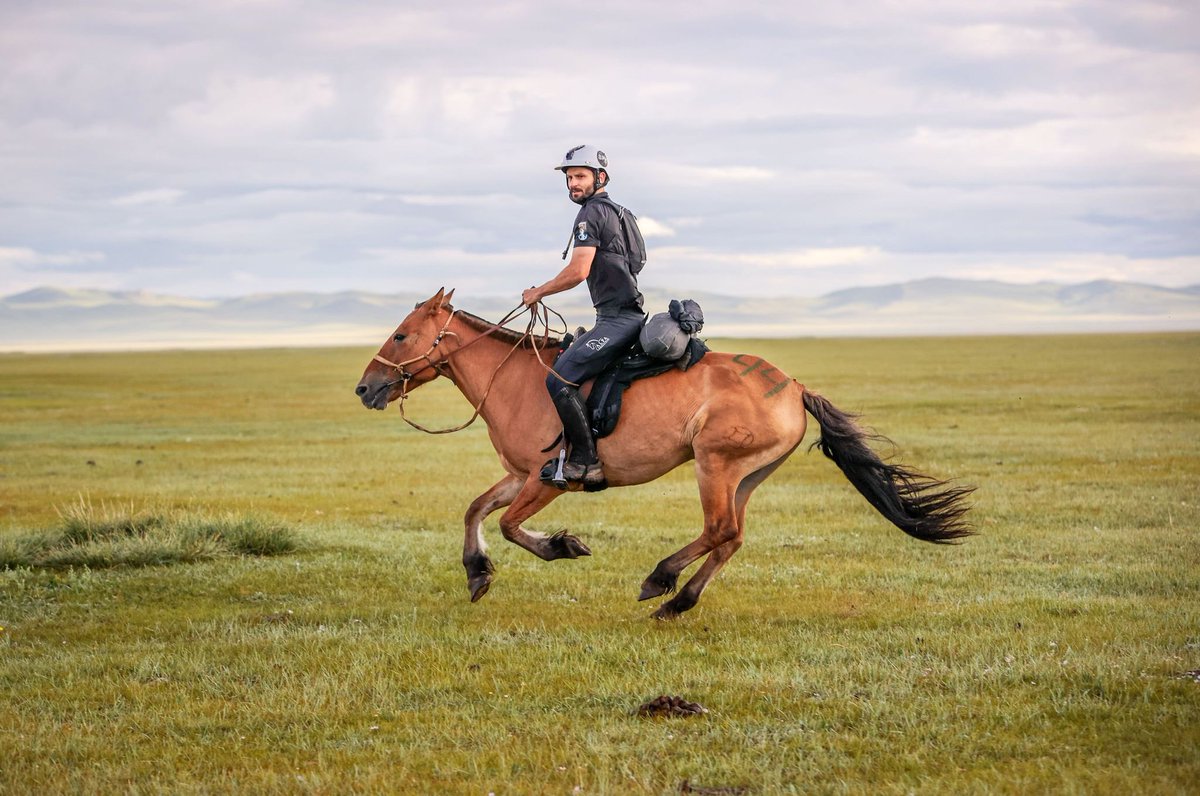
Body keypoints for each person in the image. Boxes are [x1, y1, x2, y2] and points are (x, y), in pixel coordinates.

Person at [522, 144, 646, 490]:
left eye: (580, 176)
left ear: (600, 178)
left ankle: (586, 461)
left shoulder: (590, 213)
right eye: (570, 178)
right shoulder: (622, 214)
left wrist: (538, 292)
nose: (573, 184)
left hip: (617, 319)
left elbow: (579, 271)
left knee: (558, 380)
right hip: (625, 314)